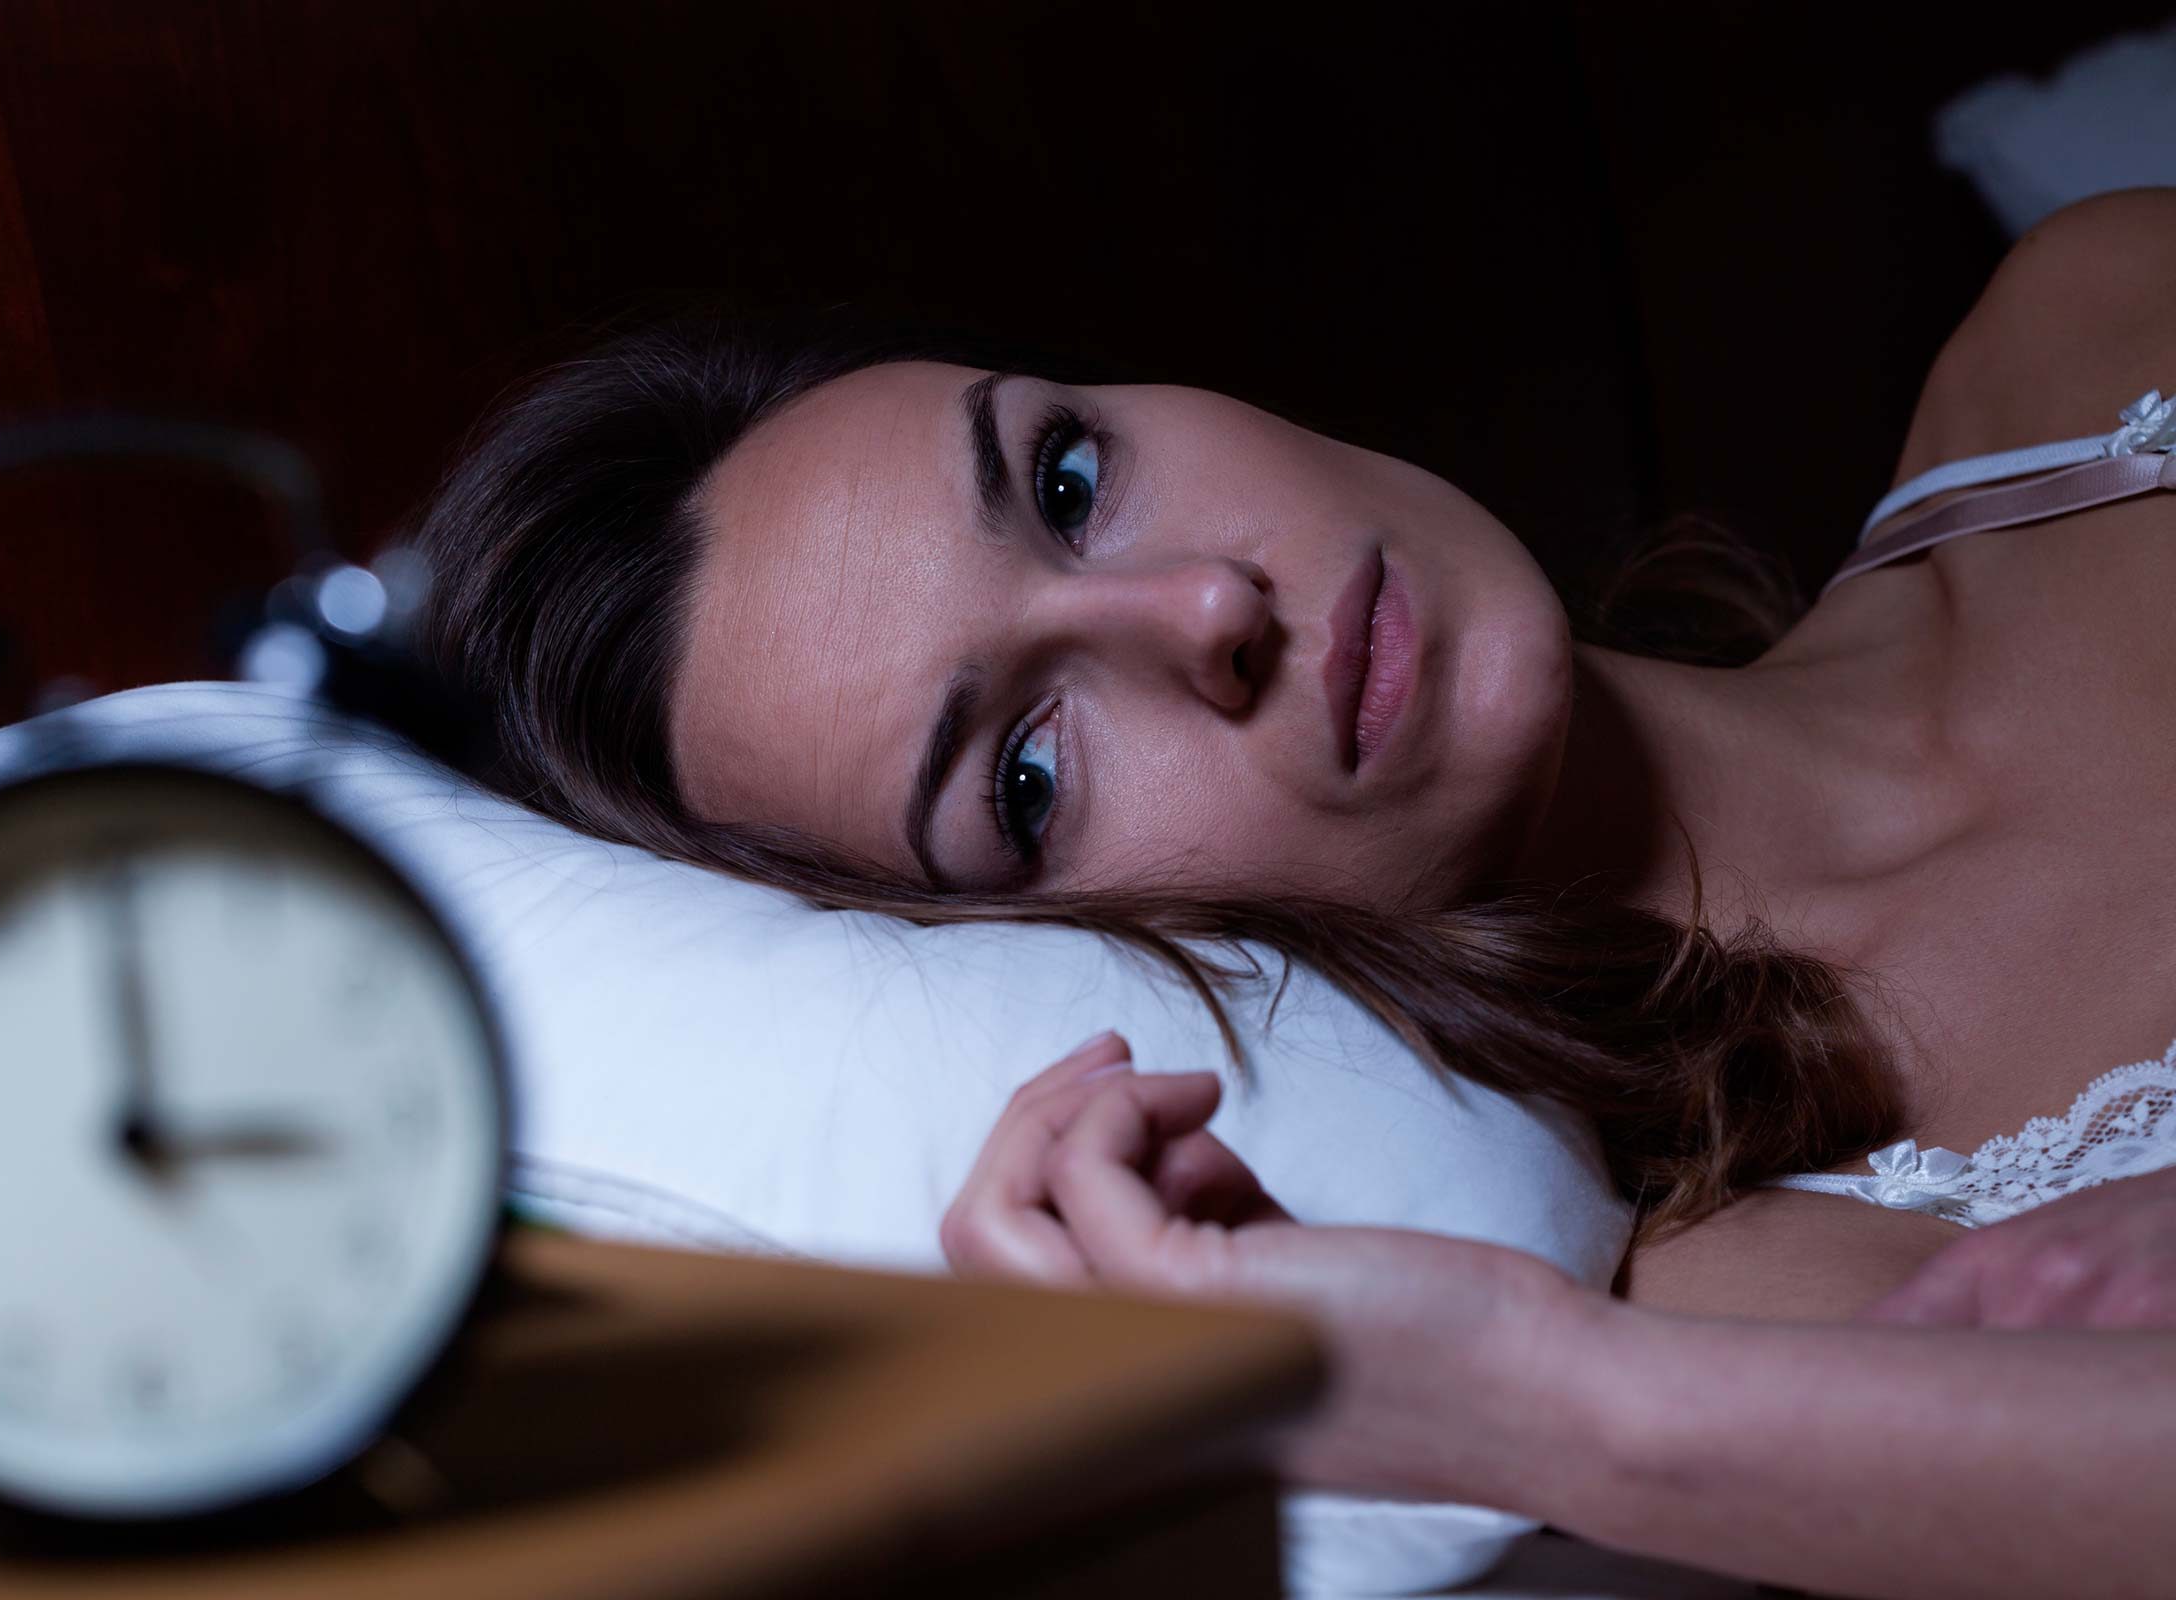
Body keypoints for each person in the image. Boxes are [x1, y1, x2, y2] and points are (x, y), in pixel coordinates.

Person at [412, 187, 2176, 1597]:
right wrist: (1533, 1409)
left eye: (1067, 479)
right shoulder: (1759, 1284)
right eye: (1026, 774)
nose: (1202, 614)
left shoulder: (2092, 338)